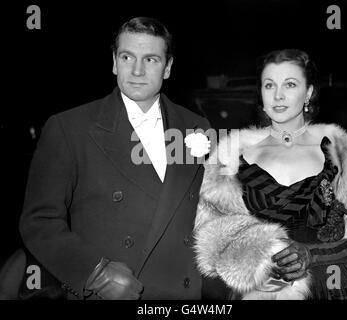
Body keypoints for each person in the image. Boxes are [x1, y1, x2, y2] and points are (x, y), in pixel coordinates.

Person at [16, 16, 210, 300]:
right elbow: (38, 221)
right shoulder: (70, 128)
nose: (137, 70)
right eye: (127, 56)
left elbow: (212, 212)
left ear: (167, 68)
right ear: (114, 62)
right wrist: (92, 272)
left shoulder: (198, 127)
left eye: (151, 59)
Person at [194, 49, 347, 299]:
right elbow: (211, 240)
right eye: (269, 85)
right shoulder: (230, 159)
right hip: (261, 290)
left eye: (290, 84)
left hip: (331, 288)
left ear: (308, 92)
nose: (278, 95)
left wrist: (311, 254)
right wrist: (260, 251)